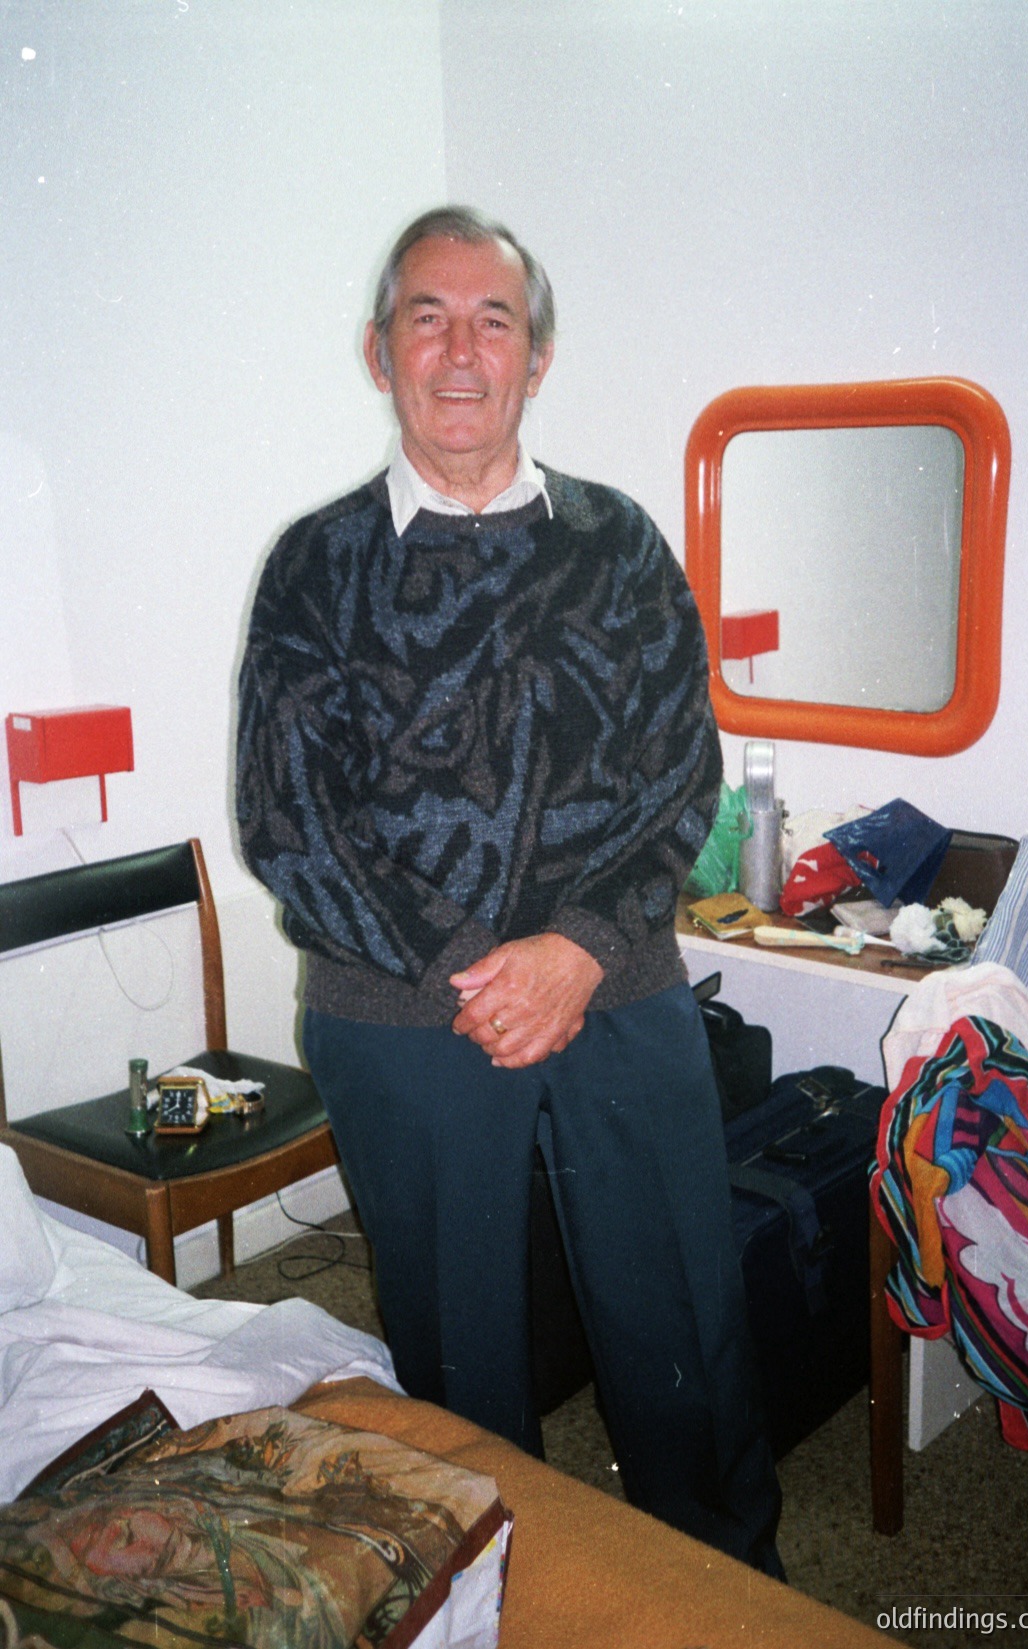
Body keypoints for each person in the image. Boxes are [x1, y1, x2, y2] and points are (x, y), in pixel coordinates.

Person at [236, 205, 783, 1574]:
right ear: (381, 351)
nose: (462, 348)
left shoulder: (620, 543)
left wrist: (582, 951)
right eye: (430, 314)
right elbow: (288, 815)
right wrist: (481, 970)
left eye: (496, 319)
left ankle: (723, 1567)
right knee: (457, 1343)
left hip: (623, 979)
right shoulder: (315, 565)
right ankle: (505, 1587)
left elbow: (681, 770)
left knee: (684, 1315)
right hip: (402, 1007)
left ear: (537, 357)